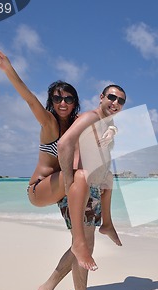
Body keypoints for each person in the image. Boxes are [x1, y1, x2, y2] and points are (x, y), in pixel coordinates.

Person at [0, 40, 121, 244]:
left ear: (75, 102)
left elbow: (102, 120)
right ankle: (79, 241)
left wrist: (111, 130)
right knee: (82, 175)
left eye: (68, 99)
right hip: (40, 189)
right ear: (51, 102)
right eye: (57, 99)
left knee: (106, 176)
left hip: (63, 184)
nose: (63, 103)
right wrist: (8, 69)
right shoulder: (49, 122)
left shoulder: (78, 122)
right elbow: (30, 99)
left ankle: (107, 224)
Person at [58, 84, 126, 271]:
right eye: (112, 97)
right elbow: (64, 144)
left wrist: (113, 131)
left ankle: (108, 223)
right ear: (101, 97)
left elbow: (111, 126)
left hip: (93, 187)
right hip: (80, 188)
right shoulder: (90, 117)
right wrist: (68, 183)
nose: (116, 103)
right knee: (83, 247)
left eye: (121, 101)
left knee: (85, 246)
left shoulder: (104, 122)